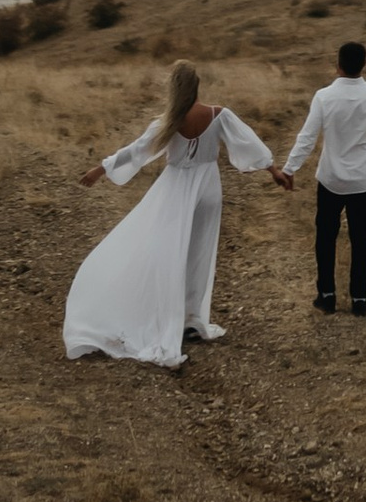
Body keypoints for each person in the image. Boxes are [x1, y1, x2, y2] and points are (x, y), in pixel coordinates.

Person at [64, 60, 283, 367]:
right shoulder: (219, 115)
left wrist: (101, 168)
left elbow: (136, 150)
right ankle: (191, 320)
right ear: (197, 87)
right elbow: (250, 142)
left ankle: (165, 316)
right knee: (198, 253)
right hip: (208, 190)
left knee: (166, 253)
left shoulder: (167, 122)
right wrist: (273, 170)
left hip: (175, 191)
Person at [283, 39, 366, 317]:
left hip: (331, 179)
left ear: (337, 65)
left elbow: (307, 138)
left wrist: (289, 168)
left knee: (325, 237)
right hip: (363, 180)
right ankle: (360, 299)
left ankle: (327, 296)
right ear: (364, 64)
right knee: (361, 239)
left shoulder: (324, 97)